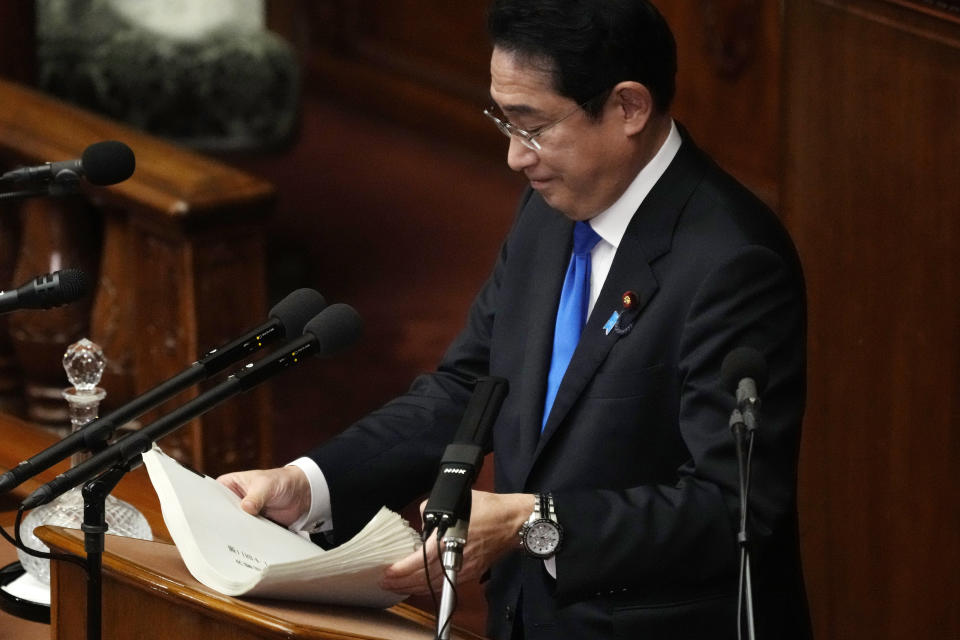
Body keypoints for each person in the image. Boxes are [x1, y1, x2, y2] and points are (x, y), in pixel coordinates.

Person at [218, 1, 812, 638]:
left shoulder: (733, 262)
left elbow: (731, 508)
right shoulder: (550, 212)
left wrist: (534, 521)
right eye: (503, 120)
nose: (513, 157)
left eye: (531, 126)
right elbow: (466, 390)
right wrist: (310, 484)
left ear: (629, 108)